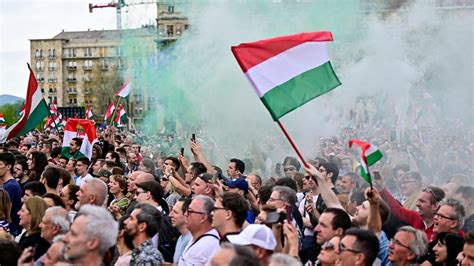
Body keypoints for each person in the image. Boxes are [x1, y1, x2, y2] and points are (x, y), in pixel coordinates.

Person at [179, 195, 220, 265]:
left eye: (190, 211)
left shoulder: (206, 245)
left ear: (203, 217)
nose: (185, 214)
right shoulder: (197, 238)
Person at [17, 196, 50, 261]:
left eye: (22, 211)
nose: (18, 213)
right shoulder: (27, 234)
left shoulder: (37, 242)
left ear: (33, 215)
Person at [0, 152, 22, 235]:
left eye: (0, 164)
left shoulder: (10, 186)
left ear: (9, 167)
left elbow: (6, 212)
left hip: (10, 230)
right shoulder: (7, 184)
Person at [170, 198, 192, 264]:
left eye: (175, 212)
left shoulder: (191, 240)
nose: (170, 215)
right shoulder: (180, 238)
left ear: (186, 215)